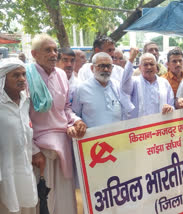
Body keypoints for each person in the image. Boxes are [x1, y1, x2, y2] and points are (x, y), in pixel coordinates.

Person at [27, 33, 87, 214]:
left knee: (64, 200)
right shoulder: (26, 77)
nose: (54, 54)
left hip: (63, 145)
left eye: (55, 50)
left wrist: (76, 121)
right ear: (34, 54)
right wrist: (33, 150)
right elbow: (23, 118)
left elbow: (66, 108)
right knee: (44, 200)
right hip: (40, 153)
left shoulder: (61, 75)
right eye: (48, 50)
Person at [0, 58, 38, 214]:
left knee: (26, 204)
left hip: (24, 168)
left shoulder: (25, 101)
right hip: (3, 174)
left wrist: (35, 152)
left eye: (23, 74)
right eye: (16, 75)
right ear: (3, 79)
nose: (22, 79)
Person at [72, 52, 133, 128]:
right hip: (94, 137)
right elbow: (74, 113)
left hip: (117, 136)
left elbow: (126, 110)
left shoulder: (117, 86)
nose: (106, 69)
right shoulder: (81, 89)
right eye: (101, 66)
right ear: (92, 68)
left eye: (109, 66)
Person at [121, 48, 174, 118]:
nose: (149, 67)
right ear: (140, 68)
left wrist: (170, 108)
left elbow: (172, 104)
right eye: (145, 65)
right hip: (140, 126)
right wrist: (131, 59)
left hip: (160, 125)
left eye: (151, 64)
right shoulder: (134, 82)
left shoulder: (164, 83)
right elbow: (124, 83)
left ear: (156, 67)